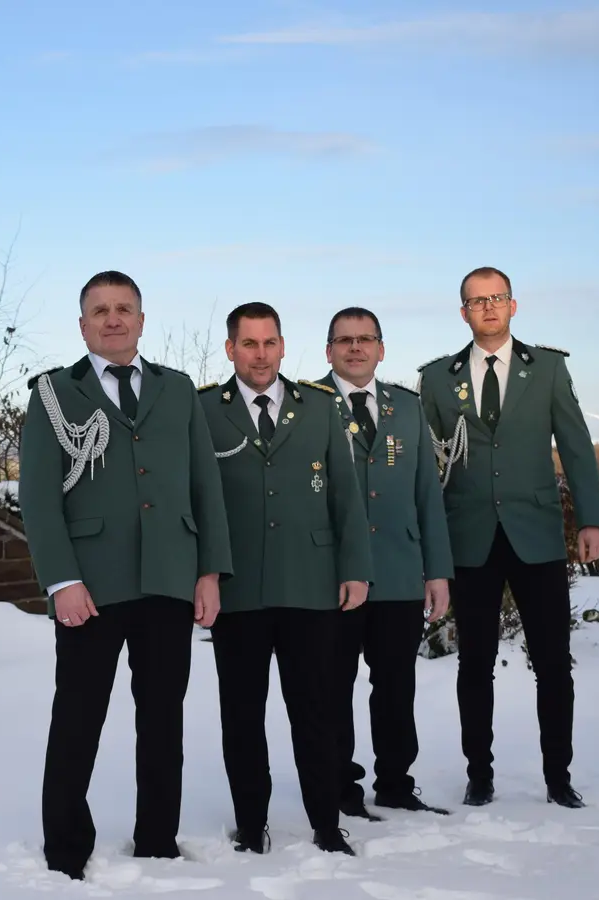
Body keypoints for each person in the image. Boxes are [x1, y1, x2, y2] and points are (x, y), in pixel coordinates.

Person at [18, 270, 235, 881]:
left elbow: (204, 486)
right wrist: (62, 581)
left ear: (141, 319)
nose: (113, 319)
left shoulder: (178, 389)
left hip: (170, 579)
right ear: (82, 324)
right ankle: (65, 846)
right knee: (79, 715)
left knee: (164, 717)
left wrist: (209, 572)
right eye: (100, 310)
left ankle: (157, 839)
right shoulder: (54, 393)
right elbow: (38, 498)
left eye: (124, 309)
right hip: (92, 585)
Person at [417, 266, 599, 809]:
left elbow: (575, 444)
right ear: (464, 313)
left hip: (536, 534)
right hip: (469, 537)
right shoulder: (435, 379)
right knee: (473, 664)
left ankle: (557, 777)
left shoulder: (546, 369)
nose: (489, 307)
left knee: (552, 663)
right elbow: (427, 469)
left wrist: (591, 518)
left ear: (513, 305)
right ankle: (480, 774)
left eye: (497, 297)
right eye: (477, 301)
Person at [197, 301, 372, 856]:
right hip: (238, 589)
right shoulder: (204, 410)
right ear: (231, 349)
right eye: (248, 344)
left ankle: (326, 822)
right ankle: (252, 826)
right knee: (242, 717)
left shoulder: (318, 408)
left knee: (316, 712)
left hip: (310, 584)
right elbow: (197, 501)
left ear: (282, 345)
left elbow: (346, 495)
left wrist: (356, 569)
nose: (260, 354)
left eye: (270, 342)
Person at [313, 307, 455, 821]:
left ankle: (396, 782)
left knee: (396, 684)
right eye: (344, 340)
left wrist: (436, 570)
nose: (355, 348)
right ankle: (339, 787)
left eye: (365, 339)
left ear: (381, 348)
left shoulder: (407, 407)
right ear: (328, 350)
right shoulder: (309, 404)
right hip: (333, 575)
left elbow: (426, 494)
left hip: (399, 569)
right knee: (332, 686)